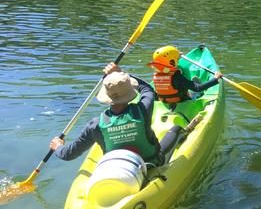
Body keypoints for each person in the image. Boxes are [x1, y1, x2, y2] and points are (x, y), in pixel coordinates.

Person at [50, 63, 182, 166]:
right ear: (130, 92)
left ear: (106, 96)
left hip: (118, 168)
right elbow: (147, 89)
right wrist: (121, 73)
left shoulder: (94, 125)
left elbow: (68, 154)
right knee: (176, 129)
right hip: (151, 163)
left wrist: (58, 147)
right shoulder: (142, 110)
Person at [147, 45, 222, 110]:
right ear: (172, 61)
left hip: (164, 101)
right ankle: (195, 87)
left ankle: (192, 83)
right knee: (196, 92)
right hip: (181, 101)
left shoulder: (157, 74)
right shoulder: (177, 77)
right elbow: (198, 88)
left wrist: (176, 56)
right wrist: (215, 79)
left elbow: (169, 64)